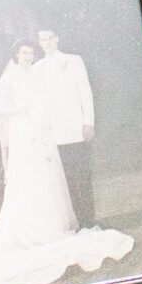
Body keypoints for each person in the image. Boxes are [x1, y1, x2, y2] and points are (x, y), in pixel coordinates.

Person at [0, 39, 134, 284]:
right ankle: (30, 232)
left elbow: (47, 104)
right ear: (16, 55)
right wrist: (23, 111)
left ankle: (49, 229)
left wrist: (44, 125)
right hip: (23, 135)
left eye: (30, 53)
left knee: (46, 182)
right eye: (23, 53)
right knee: (28, 181)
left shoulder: (35, 75)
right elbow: (2, 113)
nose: (27, 56)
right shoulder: (9, 78)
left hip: (41, 134)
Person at [35, 28, 97, 226]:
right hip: (55, 131)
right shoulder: (37, 68)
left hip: (76, 127)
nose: (47, 42)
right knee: (66, 178)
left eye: (50, 38)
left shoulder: (73, 61)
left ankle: (89, 220)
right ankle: (76, 221)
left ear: (57, 39)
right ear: (40, 43)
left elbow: (85, 92)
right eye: (43, 40)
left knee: (82, 174)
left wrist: (88, 121)